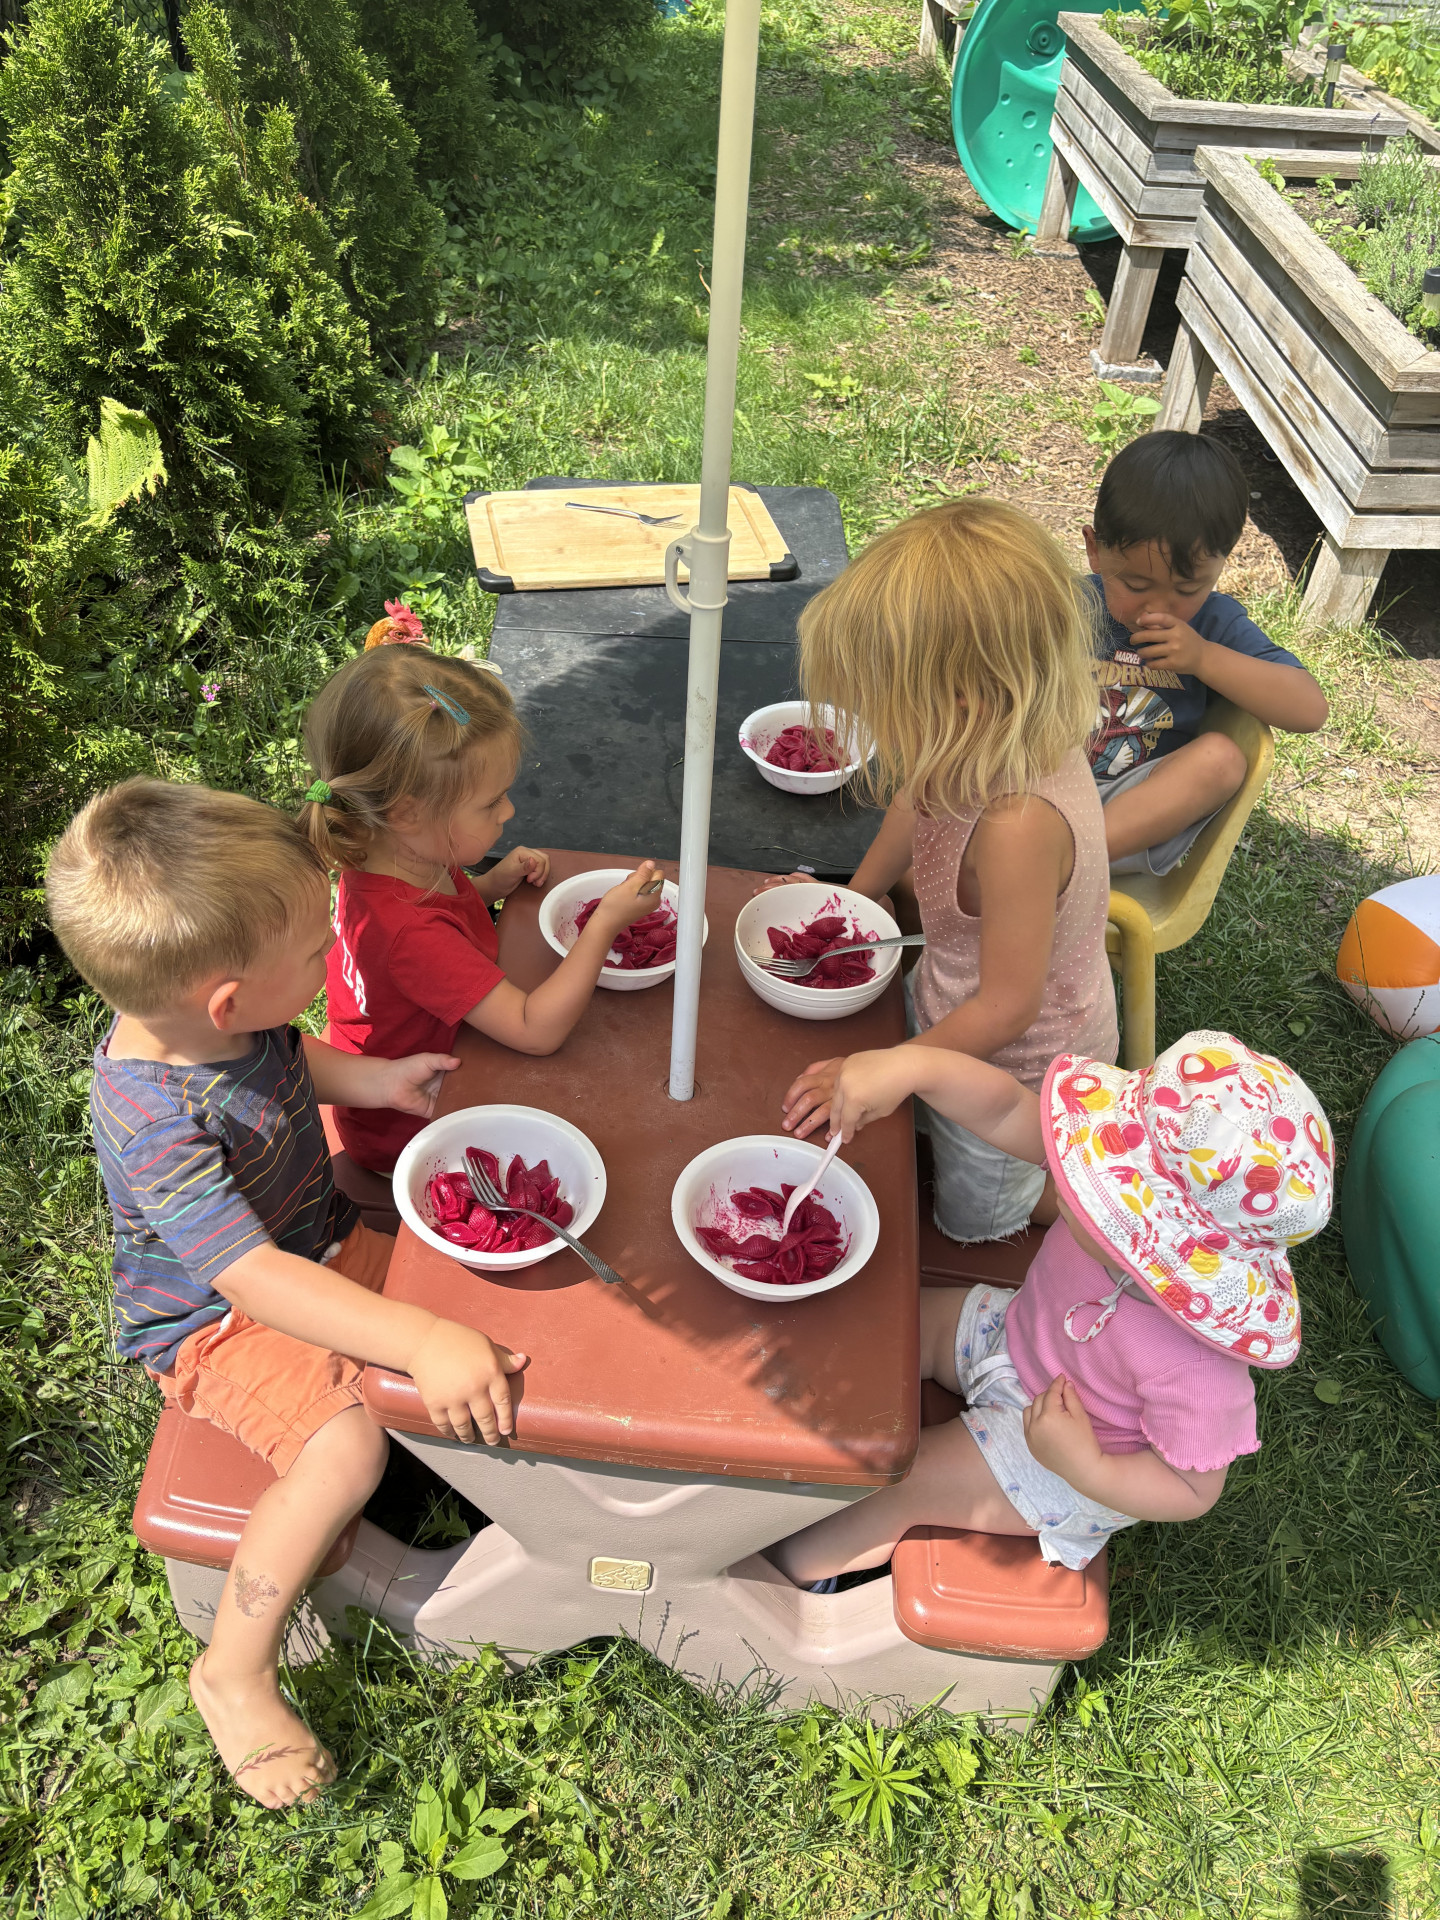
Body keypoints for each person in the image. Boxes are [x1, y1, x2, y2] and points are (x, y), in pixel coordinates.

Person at [47, 779, 531, 1810]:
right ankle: (234, 1667)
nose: (328, 961)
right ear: (227, 1001)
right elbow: (252, 1279)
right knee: (345, 1448)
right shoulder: (153, 1121)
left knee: (466, 1281)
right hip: (217, 1320)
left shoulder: (221, 1025)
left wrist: (375, 1079)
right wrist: (421, 1337)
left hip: (317, 1240)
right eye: (316, 953)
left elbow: (287, 1055)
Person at [769, 1030, 1332, 1589]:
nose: (1072, 1165)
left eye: (1104, 1177)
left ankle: (778, 1572)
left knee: (903, 1483)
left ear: (1147, 1244)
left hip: (1067, 1453)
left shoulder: (1200, 1369)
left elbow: (1192, 1490)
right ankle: (763, 1433)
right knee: (886, 1326)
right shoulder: (1109, 1219)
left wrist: (1088, 1467)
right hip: (1017, 1336)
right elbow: (1005, 1107)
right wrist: (911, 1068)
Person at [773, 497, 1118, 1245]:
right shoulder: (967, 738)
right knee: (910, 1112)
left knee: (973, 1214)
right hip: (948, 993)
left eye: (883, 701)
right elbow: (912, 805)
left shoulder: (1019, 824)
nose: (873, 720)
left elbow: (1007, 1009)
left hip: (1013, 1074)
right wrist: (852, 903)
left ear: (961, 699)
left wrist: (896, 1068)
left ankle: (1078, 1193)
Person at [299, 646, 662, 1174]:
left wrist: (490, 885)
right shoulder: (411, 934)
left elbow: (438, 922)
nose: (508, 811)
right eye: (492, 803)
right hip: (411, 1129)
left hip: (398, 1085)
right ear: (406, 814)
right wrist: (604, 922)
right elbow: (535, 1031)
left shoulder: (389, 857)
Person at [1084, 430, 1328, 877]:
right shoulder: (1066, 606)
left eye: (1186, 589)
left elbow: (1309, 710)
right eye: (1135, 585)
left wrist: (1204, 658)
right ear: (1094, 550)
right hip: (1038, 789)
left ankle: (1062, 861)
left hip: (1128, 819)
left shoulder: (1214, 625)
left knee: (1221, 760)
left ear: (1219, 567)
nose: (1157, 608)